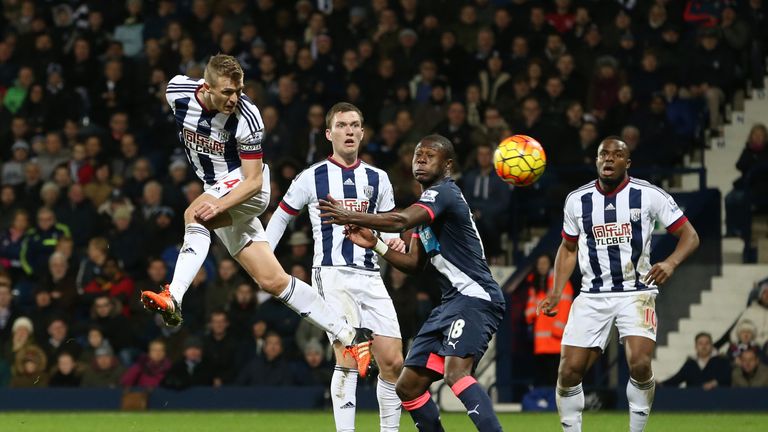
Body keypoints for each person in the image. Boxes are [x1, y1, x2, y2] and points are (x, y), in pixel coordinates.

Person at [138, 54, 372, 373]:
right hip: (217, 190)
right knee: (272, 280)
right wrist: (217, 202)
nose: (234, 99)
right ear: (206, 87)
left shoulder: (248, 117)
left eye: (239, 90)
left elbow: (252, 181)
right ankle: (350, 334)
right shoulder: (177, 91)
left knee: (195, 214)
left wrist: (218, 205)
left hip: (247, 190)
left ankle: (174, 296)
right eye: (226, 92)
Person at [319, 134, 506, 432]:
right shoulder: (425, 211)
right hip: (450, 303)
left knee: (456, 373)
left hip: (476, 297)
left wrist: (351, 215)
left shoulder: (444, 193)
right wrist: (377, 245)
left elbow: (399, 221)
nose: (420, 159)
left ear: (447, 165)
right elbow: (414, 264)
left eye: (429, 156)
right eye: (418, 154)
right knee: (407, 386)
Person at [537, 137, 700, 432]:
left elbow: (690, 236)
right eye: (603, 155)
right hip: (592, 294)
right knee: (569, 371)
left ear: (628, 163)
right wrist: (555, 291)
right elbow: (568, 248)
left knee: (638, 363)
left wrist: (670, 262)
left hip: (636, 292)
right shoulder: (577, 200)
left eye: (617, 154)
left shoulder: (649, 195)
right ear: (596, 160)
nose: (609, 159)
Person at [265, 102, 405, 432]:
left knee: (393, 362)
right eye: (342, 125)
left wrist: (395, 239)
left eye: (355, 125)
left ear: (363, 132)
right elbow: (282, 215)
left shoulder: (378, 178)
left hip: (371, 275)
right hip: (332, 273)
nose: (350, 131)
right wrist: (265, 258)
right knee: (348, 354)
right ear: (329, 134)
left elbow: (388, 227)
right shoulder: (311, 177)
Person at [525, 253, 574, 386]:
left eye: (545, 263)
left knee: (555, 375)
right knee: (541, 376)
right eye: (539, 263)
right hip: (540, 341)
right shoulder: (535, 285)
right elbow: (530, 312)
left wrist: (558, 329)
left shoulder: (560, 284)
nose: (542, 266)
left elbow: (565, 307)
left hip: (556, 339)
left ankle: (553, 402)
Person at [663, 332, 732, 389]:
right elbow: (675, 380)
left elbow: (727, 378)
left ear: (711, 346)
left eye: (707, 343)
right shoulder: (690, 364)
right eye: (700, 344)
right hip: (694, 402)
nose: (704, 346)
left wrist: (715, 383)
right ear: (696, 347)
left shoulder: (722, 361)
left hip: (717, 402)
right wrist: (659, 384)